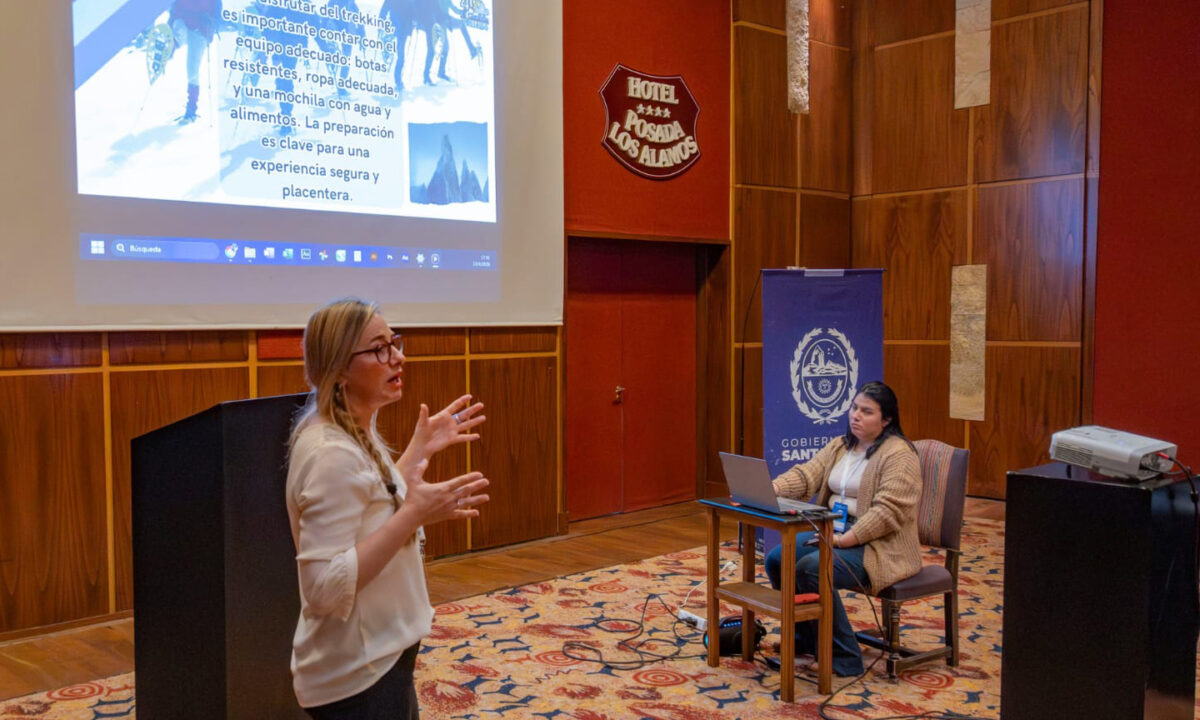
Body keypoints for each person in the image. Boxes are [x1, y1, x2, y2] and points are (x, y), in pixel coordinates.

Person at [286, 297, 489, 718]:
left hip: (378, 659)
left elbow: (370, 501)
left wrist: (419, 450)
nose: (398, 357)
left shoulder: (349, 430)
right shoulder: (331, 453)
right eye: (379, 349)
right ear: (341, 368)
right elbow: (322, 589)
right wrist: (414, 513)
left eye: (394, 342)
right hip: (358, 675)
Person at [768, 381, 922, 676]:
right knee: (778, 559)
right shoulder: (841, 445)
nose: (856, 416)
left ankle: (844, 657)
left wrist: (845, 540)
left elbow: (887, 513)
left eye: (867, 411)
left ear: (886, 419)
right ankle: (806, 638)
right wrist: (769, 489)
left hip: (879, 544)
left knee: (813, 568)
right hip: (835, 531)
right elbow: (807, 475)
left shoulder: (900, 455)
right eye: (854, 408)